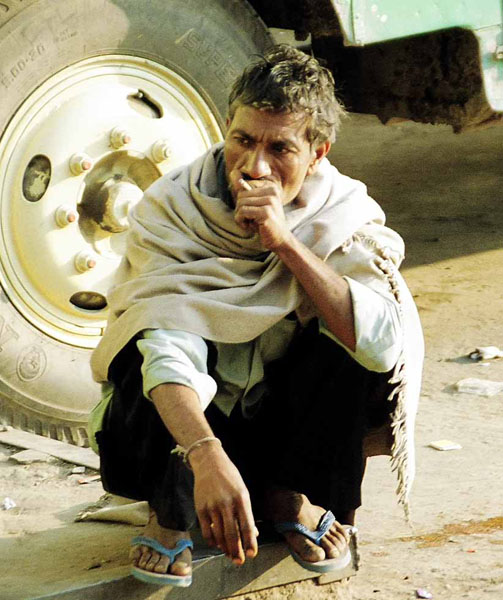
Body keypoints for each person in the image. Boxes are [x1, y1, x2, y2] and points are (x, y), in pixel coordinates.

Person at [89, 45, 423, 587]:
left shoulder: (344, 214)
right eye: (242, 140)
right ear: (226, 127)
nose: (254, 167)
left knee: (356, 329)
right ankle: (170, 510)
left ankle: (288, 493)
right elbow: (168, 348)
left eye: (280, 148)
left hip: (277, 427)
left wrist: (287, 244)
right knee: (143, 331)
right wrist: (205, 455)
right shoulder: (171, 209)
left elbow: (383, 347)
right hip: (190, 433)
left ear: (318, 153)